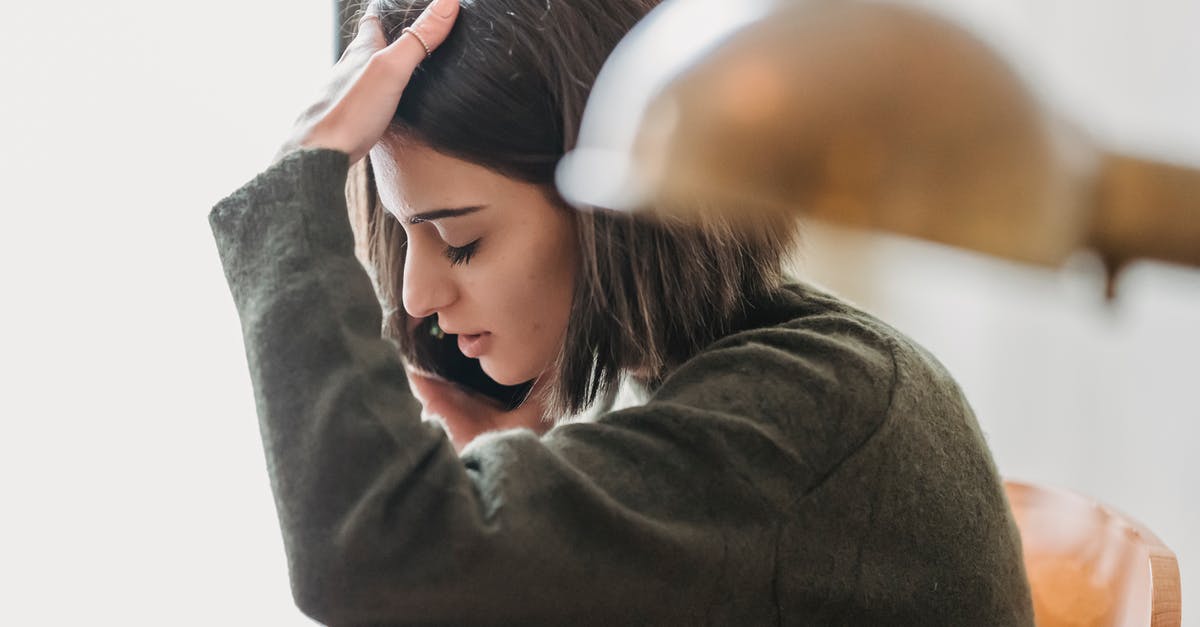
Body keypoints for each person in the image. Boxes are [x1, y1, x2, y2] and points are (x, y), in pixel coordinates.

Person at [209, 0, 1035, 624]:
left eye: (460, 241)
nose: (419, 299)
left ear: (611, 210)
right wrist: (527, 503)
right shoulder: (734, 382)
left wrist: (295, 188)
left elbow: (373, 550)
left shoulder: (819, 411)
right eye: (406, 237)